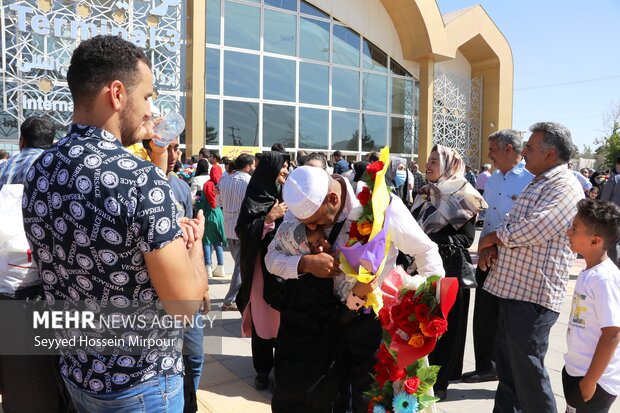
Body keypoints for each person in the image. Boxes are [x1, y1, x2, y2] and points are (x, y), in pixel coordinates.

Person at [22, 35, 209, 411]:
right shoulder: (140, 179)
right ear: (118, 93)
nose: (150, 111)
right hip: (142, 383)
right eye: (147, 97)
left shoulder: (40, 171)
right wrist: (194, 247)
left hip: (77, 375)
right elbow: (186, 305)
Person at [265, 165, 444, 413]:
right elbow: (272, 258)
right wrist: (304, 263)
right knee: (328, 398)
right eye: (308, 226)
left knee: (370, 399)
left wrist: (427, 313)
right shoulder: (301, 210)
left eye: (317, 222)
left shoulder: (379, 205)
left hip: (372, 324)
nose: (315, 229)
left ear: (333, 198)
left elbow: (426, 252)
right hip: (325, 323)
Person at [478, 121, 584, 413]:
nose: (523, 152)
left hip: (533, 298)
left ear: (550, 154)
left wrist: (492, 238)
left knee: (530, 379)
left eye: (530, 147)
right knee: (511, 379)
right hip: (514, 292)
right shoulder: (540, 181)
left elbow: (534, 228)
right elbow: (513, 224)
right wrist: (495, 246)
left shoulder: (564, 186)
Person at [0, 116, 72, 412]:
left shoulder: (3, 168)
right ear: (52, 142)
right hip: (50, 286)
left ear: (21, 141)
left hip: (10, 289)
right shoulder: (59, 171)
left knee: (20, 378)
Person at [410, 144, 487, 400]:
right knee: (420, 326)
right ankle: (420, 379)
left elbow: (465, 239)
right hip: (422, 270)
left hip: (449, 272)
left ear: (448, 165)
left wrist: (428, 242)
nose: (428, 165)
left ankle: (439, 384)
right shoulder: (424, 193)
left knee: (444, 329)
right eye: (428, 159)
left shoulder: (465, 195)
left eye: (434, 161)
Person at [461, 130, 533, 385]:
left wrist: (494, 244)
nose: (489, 153)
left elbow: (523, 223)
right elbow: (488, 216)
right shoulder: (492, 179)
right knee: (484, 312)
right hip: (486, 254)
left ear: (509, 149)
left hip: (513, 257)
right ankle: (485, 366)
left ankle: (509, 372)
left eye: (493, 148)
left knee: (509, 319)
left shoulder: (530, 179)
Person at [235, 151, 290, 391]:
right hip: (260, 272)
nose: (286, 171)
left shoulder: (286, 194)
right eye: (283, 167)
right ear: (271, 170)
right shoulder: (254, 198)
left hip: (282, 274)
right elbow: (243, 231)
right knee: (262, 322)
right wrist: (268, 218)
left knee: (282, 322)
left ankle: (281, 369)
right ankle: (262, 370)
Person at [563, 199, 620, 413]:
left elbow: (612, 333)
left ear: (595, 241)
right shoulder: (590, 272)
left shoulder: (605, 279)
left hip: (595, 381)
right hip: (578, 371)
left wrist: (591, 380)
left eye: (575, 229)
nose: (569, 232)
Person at [219, 154, 256, 310]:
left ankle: (235, 296)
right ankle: (229, 299)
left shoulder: (224, 179)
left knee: (238, 264)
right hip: (241, 227)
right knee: (241, 266)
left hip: (227, 224)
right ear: (247, 167)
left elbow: (218, 201)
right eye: (253, 166)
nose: (254, 168)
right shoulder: (248, 181)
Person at [601, 168, 620, 269]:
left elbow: (604, 200)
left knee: (614, 243)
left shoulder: (614, 179)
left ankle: (615, 270)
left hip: (615, 217)